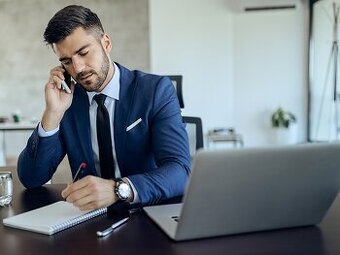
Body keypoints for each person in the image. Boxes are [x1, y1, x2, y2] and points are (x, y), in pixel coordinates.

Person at [17, 5, 190, 211]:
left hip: (145, 214)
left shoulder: (155, 91)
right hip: (89, 219)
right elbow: (31, 178)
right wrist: (52, 115)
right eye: (66, 61)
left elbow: (180, 171)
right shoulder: (67, 101)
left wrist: (119, 190)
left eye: (83, 52)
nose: (78, 68)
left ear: (106, 43)